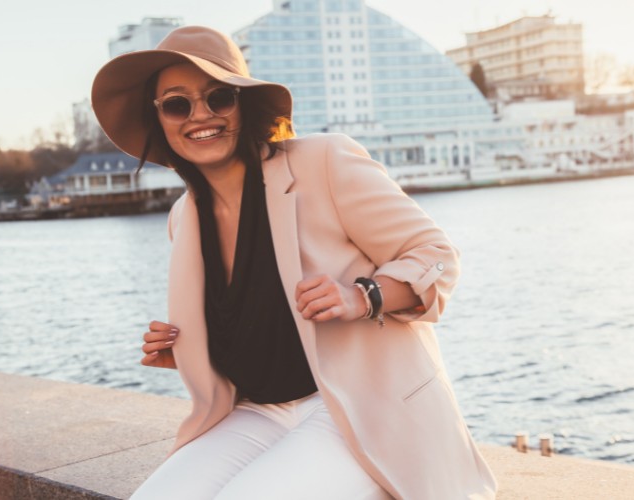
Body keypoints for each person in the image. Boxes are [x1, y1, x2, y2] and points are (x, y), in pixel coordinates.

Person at [91, 26, 497, 500]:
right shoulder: (183, 217)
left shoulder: (323, 160)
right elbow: (255, 319)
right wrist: (189, 348)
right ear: (159, 118)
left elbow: (436, 256)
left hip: (359, 406)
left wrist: (362, 296)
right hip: (256, 412)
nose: (200, 115)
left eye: (218, 97)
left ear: (244, 103)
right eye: (178, 104)